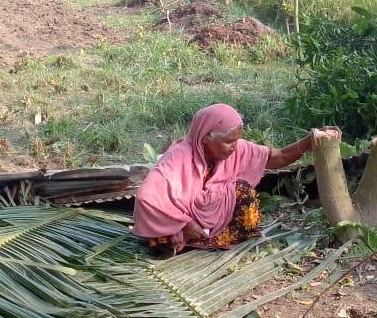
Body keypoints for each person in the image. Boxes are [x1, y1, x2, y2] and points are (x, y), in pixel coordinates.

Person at [132, 103, 336, 255]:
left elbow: (278, 156)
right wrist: (185, 224)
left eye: (237, 141)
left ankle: (212, 239)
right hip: (185, 223)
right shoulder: (179, 158)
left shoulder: (236, 149)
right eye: (228, 141)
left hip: (215, 223)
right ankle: (182, 240)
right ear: (205, 137)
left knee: (243, 192)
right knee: (159, 233)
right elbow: (147, 197)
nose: (234, 147)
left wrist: (310, 141)